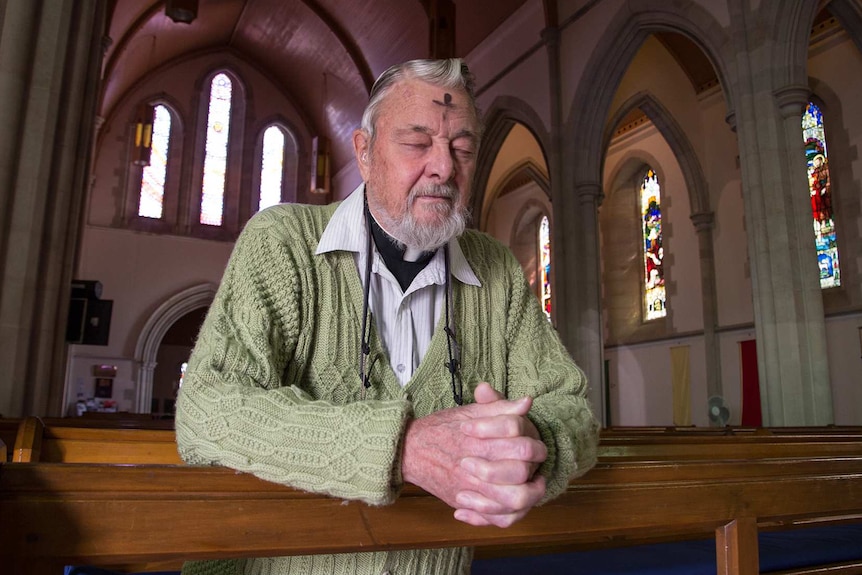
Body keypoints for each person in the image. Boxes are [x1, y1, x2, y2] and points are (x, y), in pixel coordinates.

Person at [175, 58, 599, 575]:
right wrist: (403, 448)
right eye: (418, 143)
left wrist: (530, 444)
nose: (444, 167)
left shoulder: (498, 272)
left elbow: (572, 407)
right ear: (365, 152)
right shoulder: (281, 243)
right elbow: (208, 409)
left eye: (462, 148)